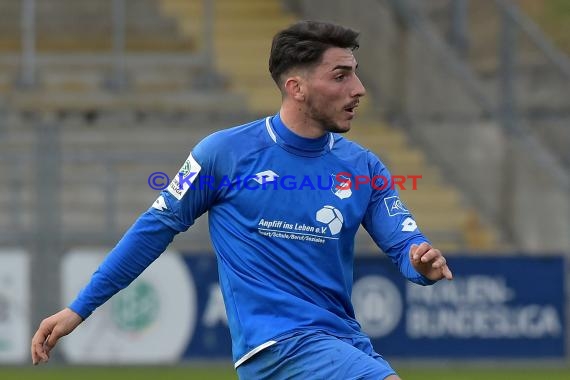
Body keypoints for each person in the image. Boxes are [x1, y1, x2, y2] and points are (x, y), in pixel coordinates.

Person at [31, 20, 453, 379]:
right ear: (297, 87)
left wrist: (420, 265)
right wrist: (79, 309)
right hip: (275, 346)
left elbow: (404, 244)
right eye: (341, 76)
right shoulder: (223, 154)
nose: (358, 88)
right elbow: (153, 229)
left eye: (356, 73)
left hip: (343, 338)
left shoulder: (363, 167)